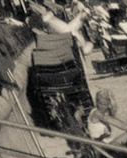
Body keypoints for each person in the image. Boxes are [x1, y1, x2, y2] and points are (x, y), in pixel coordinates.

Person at [24, 2, 95, 133]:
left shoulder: (45, 10)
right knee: (72, 33)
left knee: (72, 32)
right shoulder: (40, 14)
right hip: (62, 50)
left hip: (59, 51)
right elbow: (60, 31)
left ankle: (78, 117)